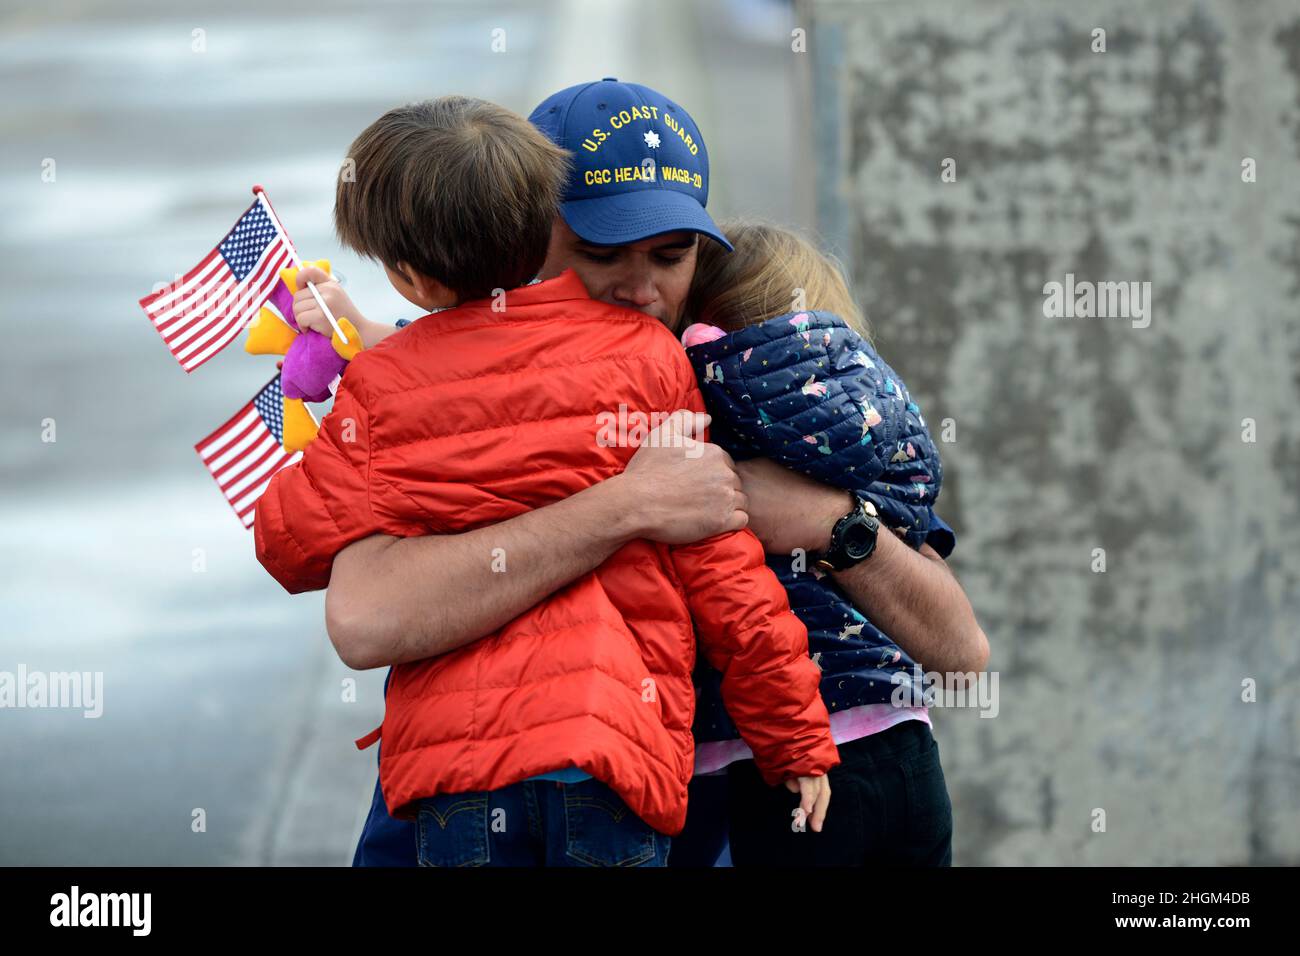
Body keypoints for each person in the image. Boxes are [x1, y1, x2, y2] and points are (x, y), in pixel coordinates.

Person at [302, 79, 988, 867]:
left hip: (755, 800)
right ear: (525, 237)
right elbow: (361, 618)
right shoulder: (444, 389)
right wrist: (627, 506)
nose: (641, 288)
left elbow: (961, 647)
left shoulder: (745, 356)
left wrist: (834, 525)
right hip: (515, 797)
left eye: (671, 255)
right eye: (599, 254)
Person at [680, 219, 958, 865]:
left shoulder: (701, 406)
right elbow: (926, 539)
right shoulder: (876, 406)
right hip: (902, 738)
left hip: (771, 761)